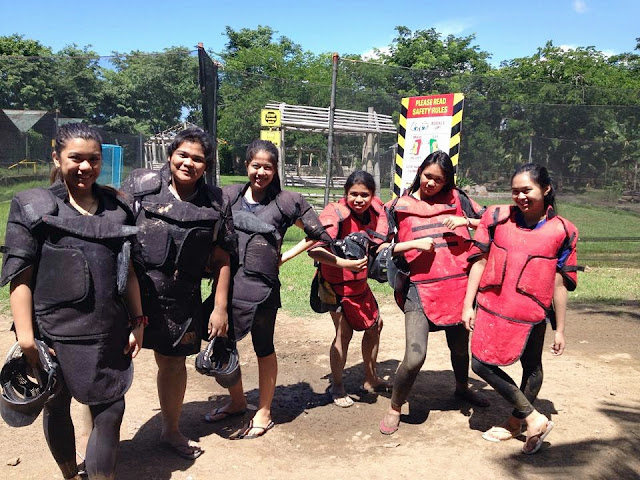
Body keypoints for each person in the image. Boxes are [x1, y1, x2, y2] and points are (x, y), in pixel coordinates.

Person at [1, 123, 145, 480]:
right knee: (57, 405)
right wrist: (27, 339)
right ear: (57, 158)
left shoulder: (118, 209)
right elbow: (21, 277)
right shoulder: (33, 206)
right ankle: (70, 474)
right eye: (75, 158)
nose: (85, 167)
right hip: (53, 336)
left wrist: (138, 321)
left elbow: (128, 272)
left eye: (93, 159)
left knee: (111, 410)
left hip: (108, 332)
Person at [121, 127, 236, 459]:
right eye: (182, 155)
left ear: (206, 165)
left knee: (173, 365)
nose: (188, 163)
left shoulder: (217, 202)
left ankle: (170, 431)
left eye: (197, 159)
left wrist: (220, 308)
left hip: (182, 300)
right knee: (113, 363)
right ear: (170, 155)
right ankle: (99, 441)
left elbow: (222, 258)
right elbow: (113, 236)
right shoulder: (140, 186)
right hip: (131, 294)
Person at [203, 139, 330, 439]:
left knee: (263, 346)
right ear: (247, 165)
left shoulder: (286, 201)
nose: (261, 172)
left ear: (275, 170)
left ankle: (264, 410)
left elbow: (317, 233)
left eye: (267, 167)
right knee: (223, 343)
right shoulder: (229, 195)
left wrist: (283, 257)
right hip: (228, 283)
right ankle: (237, 402)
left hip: (263, 288)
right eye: (256, 166)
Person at [462, 163, 579, 455]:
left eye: (527, 190)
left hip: (532, 314)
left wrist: (560, 329)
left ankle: (517, 422)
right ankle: (534, 417)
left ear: (546, 189)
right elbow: (479, 261)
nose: (520, 197)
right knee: (480, 364)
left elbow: (559, 283)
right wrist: (468, 305)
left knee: (532, 366)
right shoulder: (495, 218)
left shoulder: (563, 231)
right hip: (493, 307)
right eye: (515, 191)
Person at [378, 150, 489, 435]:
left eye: (438, 180)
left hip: (459, 288)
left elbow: (494, 223)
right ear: (419, 172)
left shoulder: (459, 200)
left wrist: (466, 222)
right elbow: (379, 248)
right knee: (415, 356)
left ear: (447, 180)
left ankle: (462, 387)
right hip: (418, 289)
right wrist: (412, 245)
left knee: (460, 348)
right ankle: (395, 406)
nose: (431, 183)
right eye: (428, 176)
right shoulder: (397, 206)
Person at [307, 170, 391, 407]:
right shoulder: (335, 213)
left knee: (375, 325)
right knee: (344, 333)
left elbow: (379, 244)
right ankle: (337, 386)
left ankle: (370, 379)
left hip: (359, 283)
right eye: (354, 194)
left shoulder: (375, 214)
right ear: (345, 194)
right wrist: (346, 264)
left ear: (372, 195)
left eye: (364, 195)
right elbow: (314, 250)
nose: (359, 199)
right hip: (334, 284)